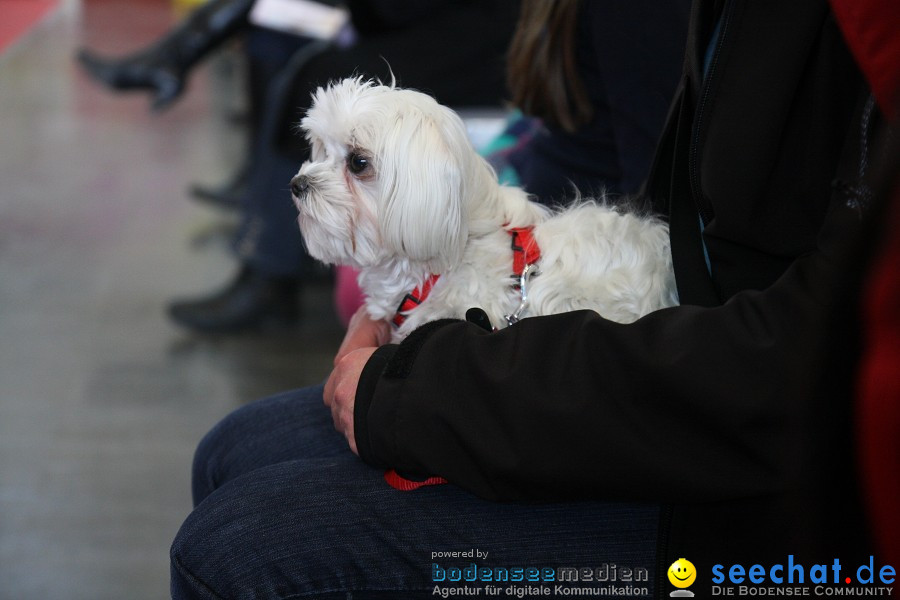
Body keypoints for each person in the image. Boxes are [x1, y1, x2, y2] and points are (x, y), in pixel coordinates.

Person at [170, 0, 897, 598]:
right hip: (666, 375)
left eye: (354, 164)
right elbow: (673, 224)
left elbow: (782, 367)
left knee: (230, 549)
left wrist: (413, 395)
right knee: (231, 449)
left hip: (759, 514)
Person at [78, 0, 522, 333]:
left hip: (482, 31)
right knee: (273, 32)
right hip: (428, 18)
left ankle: (269, 271)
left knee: (309, 73)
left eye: (357, 164)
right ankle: (258, 193)